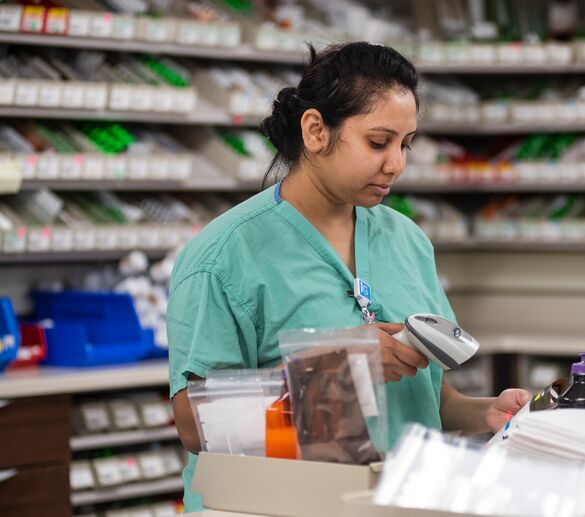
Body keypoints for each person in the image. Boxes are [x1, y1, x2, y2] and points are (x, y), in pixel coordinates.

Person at [167, 41, 530, 512]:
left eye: (405, 144)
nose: (395, 163)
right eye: (378, 143)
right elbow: (195, 426)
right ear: (316, 130)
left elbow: (425, 400)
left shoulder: (406, 240)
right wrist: (337, 369)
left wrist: (485, 412)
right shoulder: (224, 256)